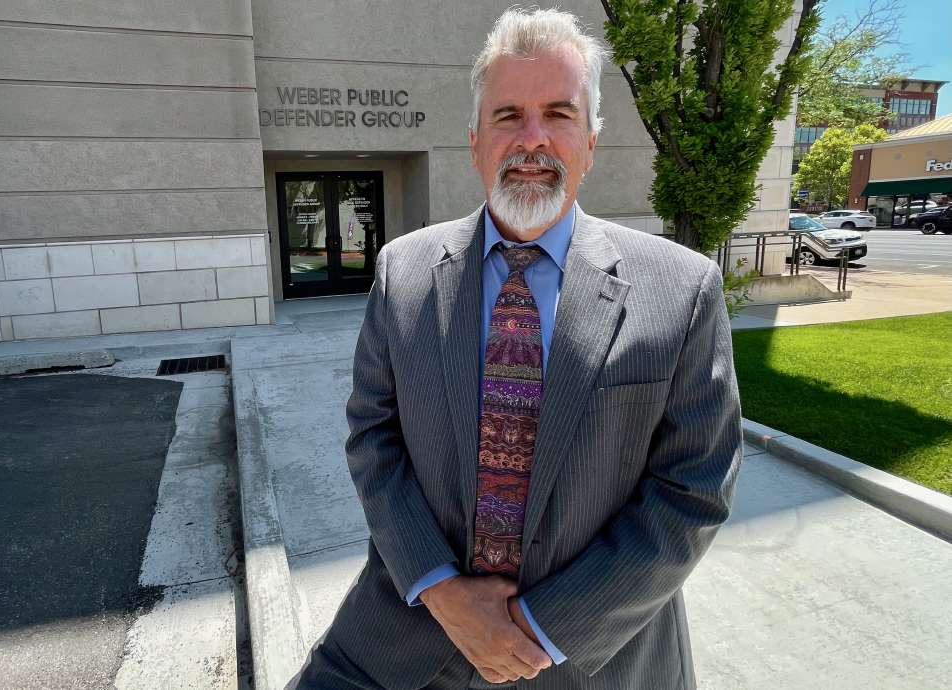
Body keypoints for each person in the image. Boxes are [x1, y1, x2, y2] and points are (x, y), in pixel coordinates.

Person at [287, 7, 742, 690]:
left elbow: (694, 487)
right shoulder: (402, 273)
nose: (533, 139)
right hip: (402, 647)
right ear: (475, 142)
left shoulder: (682, 291)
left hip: (593, 659)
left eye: (559, 114)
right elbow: (373, 439)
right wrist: (443, 591)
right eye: (508, 116)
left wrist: (535, 629)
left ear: (589, 141)